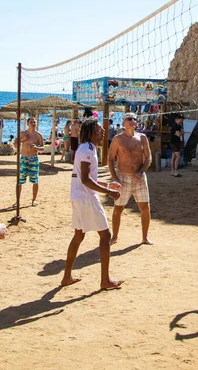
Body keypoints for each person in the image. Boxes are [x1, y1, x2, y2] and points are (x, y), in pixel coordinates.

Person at [61, 117, 123, 290]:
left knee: (78, 236)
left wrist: (107, 185)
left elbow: (87, 179)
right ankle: (105, 280)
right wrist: (109, 192)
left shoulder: (85, 148)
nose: (103, 131)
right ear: (90, 132)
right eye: (99, 129)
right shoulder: (88, 150)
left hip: (78, 197)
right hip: (86, 198)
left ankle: (67, 276)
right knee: (105, 236)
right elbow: (87, 180)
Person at [108, 113, 153, 245]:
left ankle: (145, 237)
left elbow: (148, 158)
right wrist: (115, 178)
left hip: (139, 177)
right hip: (123, 177)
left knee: (145, 207)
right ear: (123, 123)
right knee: (118, 208)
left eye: (134, 119)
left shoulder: (142, 138)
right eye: (129, 119)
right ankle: (115, 237)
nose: (132, 121)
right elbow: (110, 159)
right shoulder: (118, 139)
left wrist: (141, 171)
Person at [14, 116, 44, 206]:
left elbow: (42, 148)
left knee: (35, 180)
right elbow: (15, 145)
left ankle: (34, 200)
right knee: (20, 180)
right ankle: (17, 201)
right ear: (27, 124)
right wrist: (21, 140)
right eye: (31, 122)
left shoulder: (39, 135)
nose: (33, 124)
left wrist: (36, 147)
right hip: (24, 158)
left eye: (34, 122)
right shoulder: (23, 133)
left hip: (33, 158)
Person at [170, 114, 184, 178]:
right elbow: (179, 134)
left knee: (174, 157)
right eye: (181, 119)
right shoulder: (175, 125)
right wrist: (181, 133)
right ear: (177, 119)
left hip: (176, 142)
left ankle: (172, 171)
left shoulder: (179, 125)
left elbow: (181, 133)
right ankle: (175, 171)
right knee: (178, 156)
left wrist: (181, 130)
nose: (182, 120)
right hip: (174, 143)